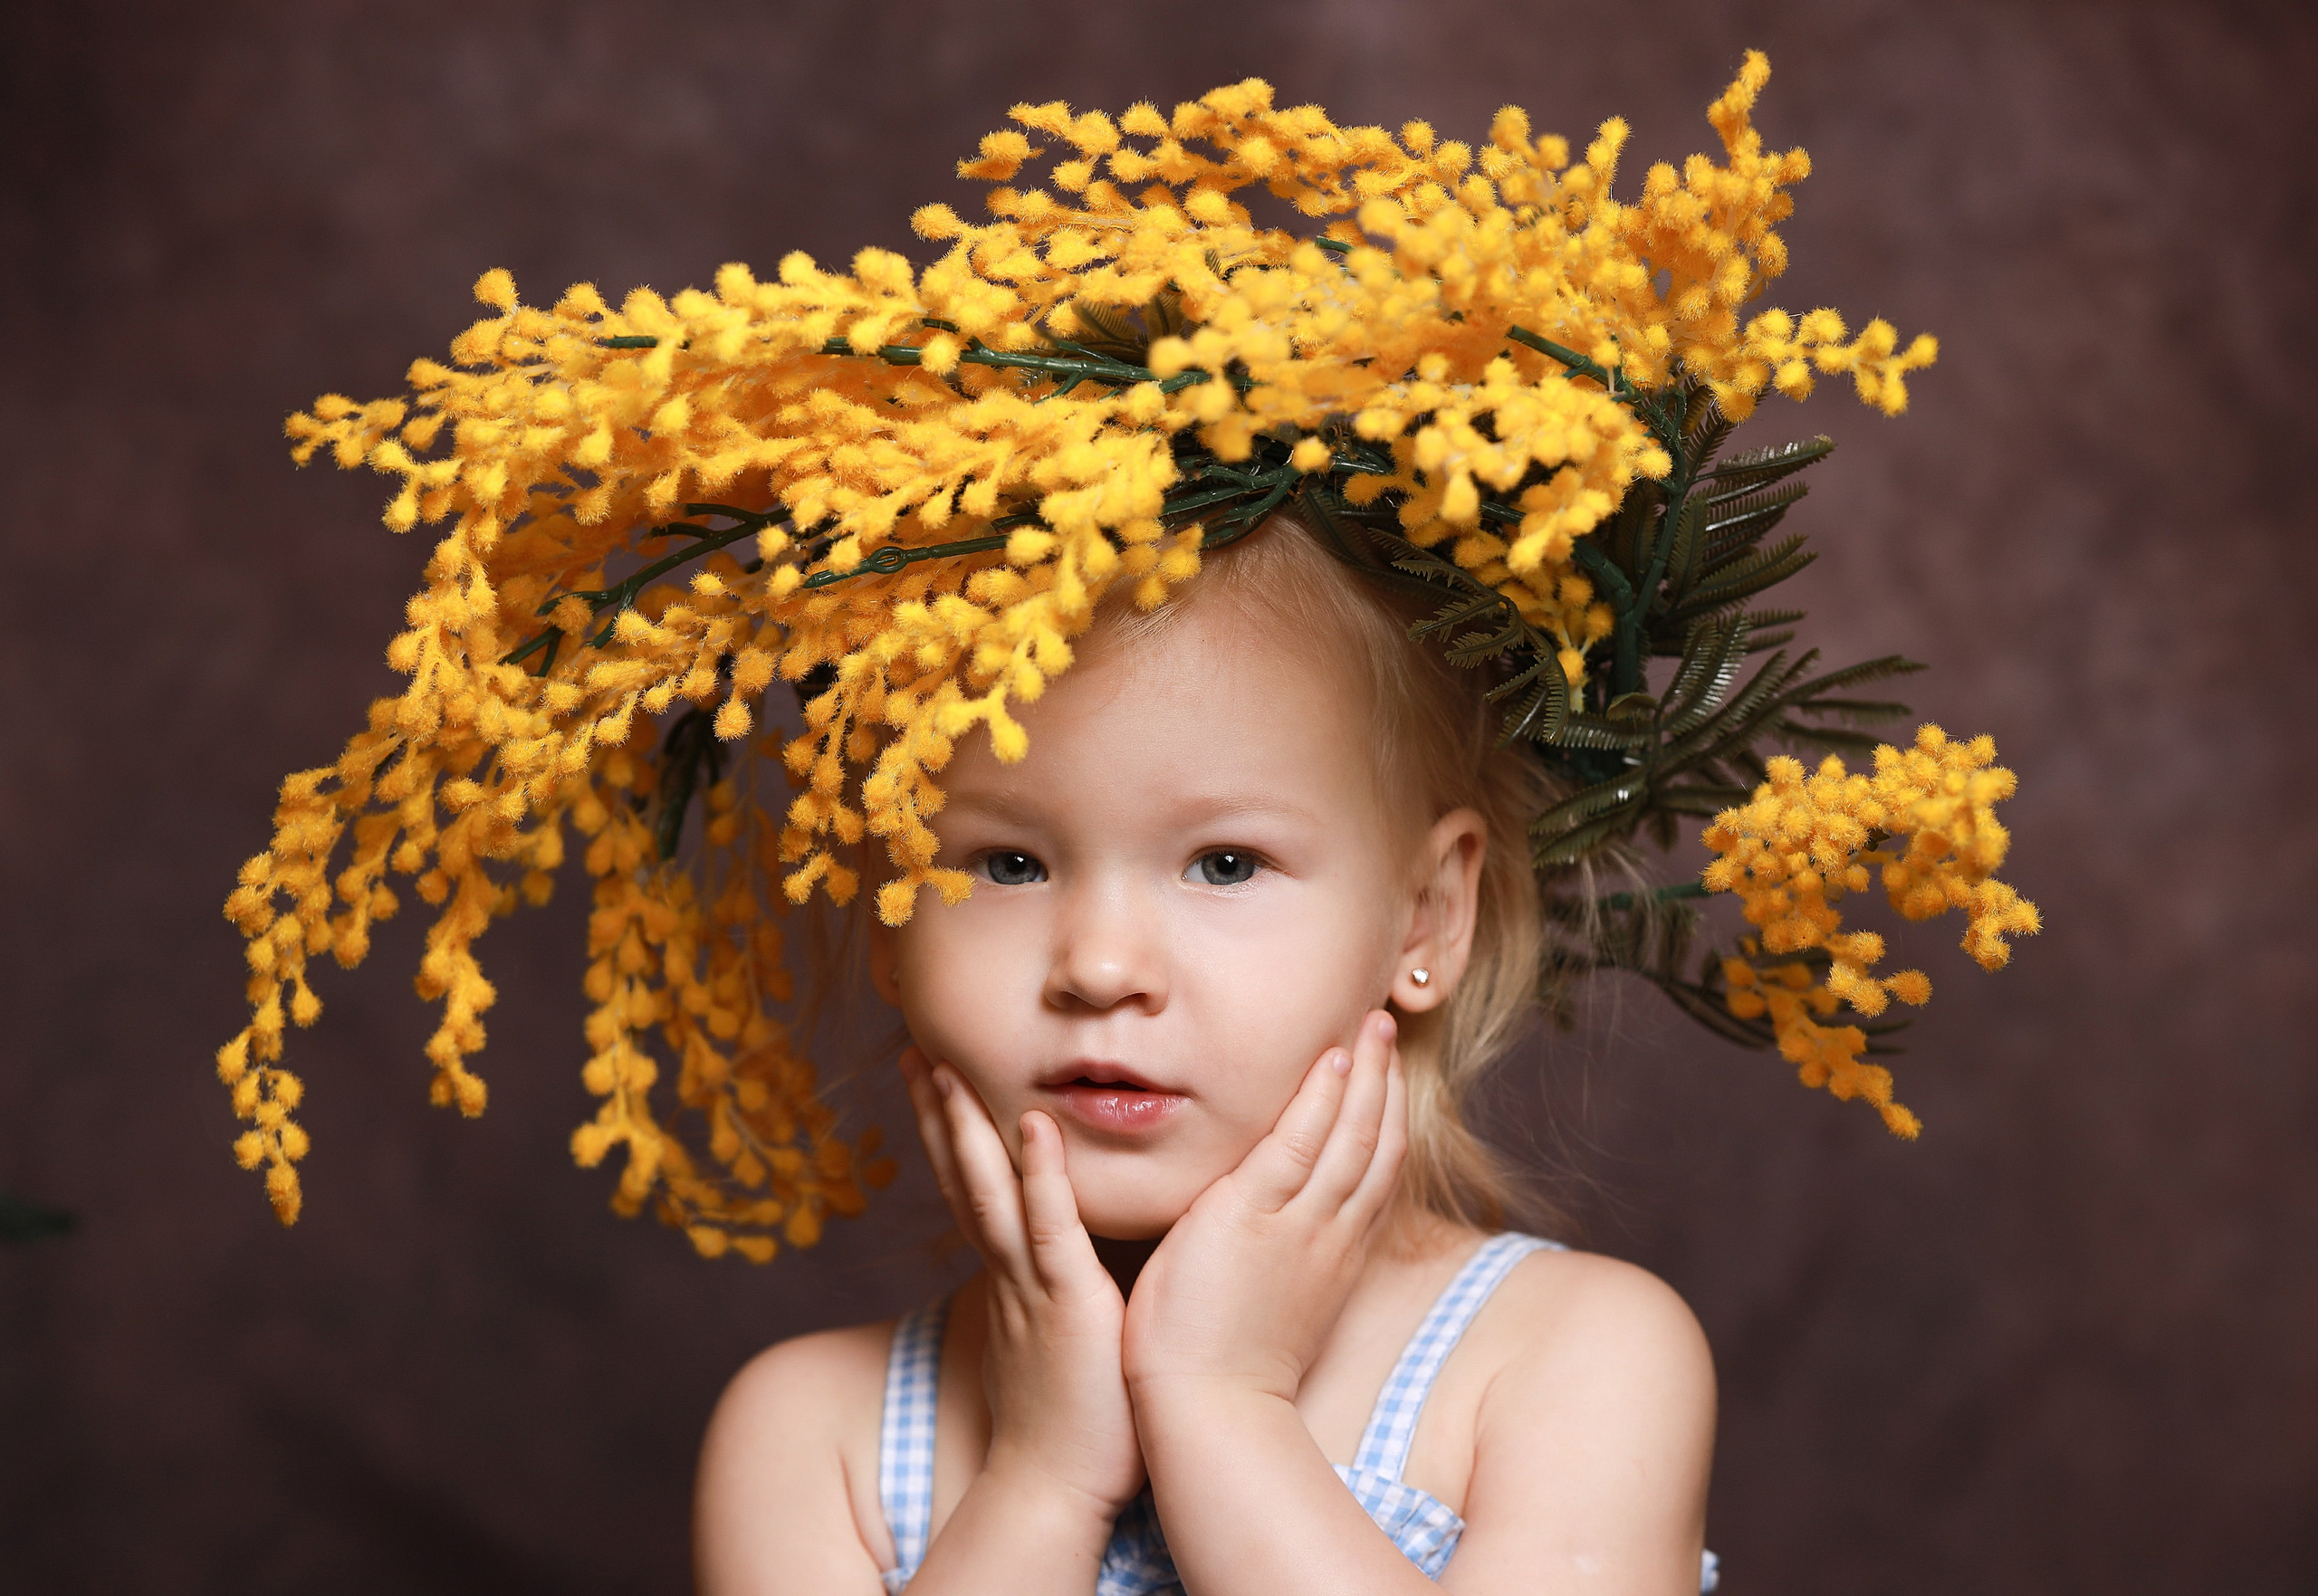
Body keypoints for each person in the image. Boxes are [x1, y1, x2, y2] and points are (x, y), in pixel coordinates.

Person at [693, 517, 1718, 1593]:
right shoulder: (815, 1436)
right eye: (1007, 862)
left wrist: (1220, 1404)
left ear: (1424, 915)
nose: (1098, 965)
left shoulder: (1569, 1365)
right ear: (892, 911)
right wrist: (1041, 1481)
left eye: (1225, 863)